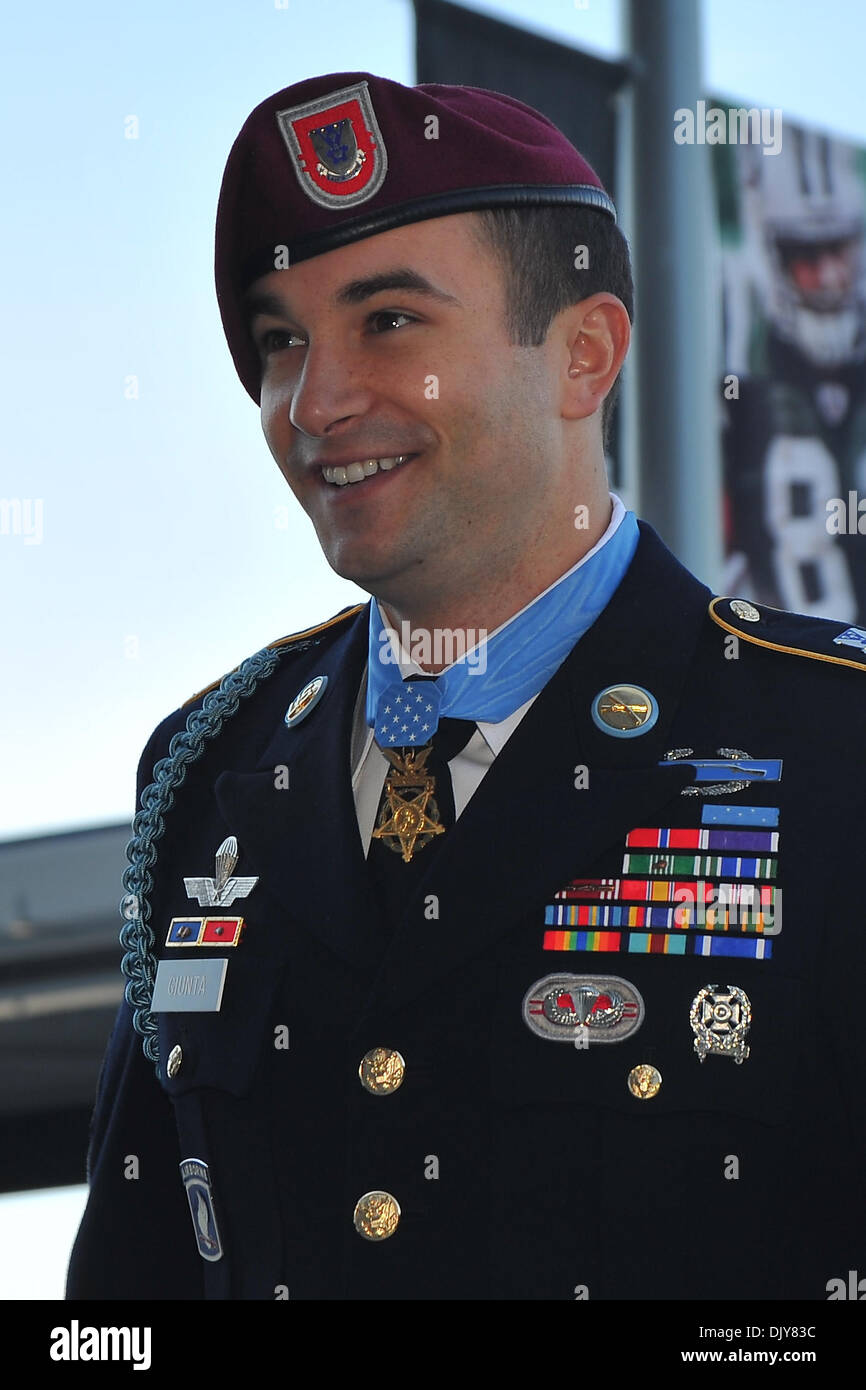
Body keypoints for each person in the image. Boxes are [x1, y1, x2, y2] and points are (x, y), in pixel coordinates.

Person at [67, 70, 866, 1302]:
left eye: (387, 321)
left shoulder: (832, 743)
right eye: (282, 339)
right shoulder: (207, 770)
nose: (312, 402)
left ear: (582, 354)